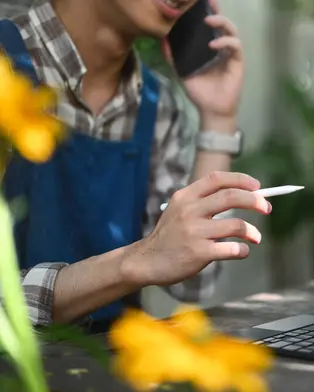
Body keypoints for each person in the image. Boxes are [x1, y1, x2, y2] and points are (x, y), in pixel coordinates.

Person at [0, 0, 269, 329]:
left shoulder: (157, 106)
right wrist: (133, 262)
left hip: (104, 374)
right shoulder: (6, 67)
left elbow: (192, 283)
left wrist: (219, 118)